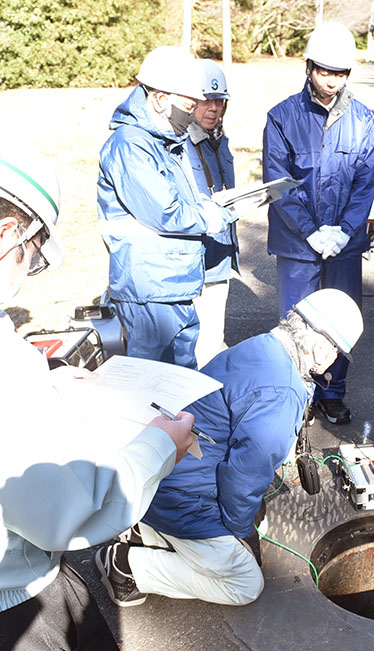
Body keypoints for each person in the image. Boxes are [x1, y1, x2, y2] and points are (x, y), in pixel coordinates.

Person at [0, 145, 195, 649]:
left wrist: (48, 386)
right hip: (18, 605)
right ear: (9, 235)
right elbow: (59, 510)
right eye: (35, 256)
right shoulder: (7, 368)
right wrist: (159, 447)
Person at [94, 289, 363, 607]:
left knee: (252, 522)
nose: (333, 360)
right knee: (246, 584)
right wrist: (239, 528)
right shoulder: (282, 390)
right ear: (321, 345)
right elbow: (245, 471)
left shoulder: (261, 346)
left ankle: (151, 534)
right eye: (336, 353)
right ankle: (127, 567)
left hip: (160, 473)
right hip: (184, 496)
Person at [262, 22, 374, 425]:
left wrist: (344, 229)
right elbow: (279, 181)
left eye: (340, 73)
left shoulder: (362, 119)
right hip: (297, 245)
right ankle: (298, 394)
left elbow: (366, 180)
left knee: (341, 319)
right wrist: (310, 230)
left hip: (343, 245)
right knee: (297, 320)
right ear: (308, 67)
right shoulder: (281, 118)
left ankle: (332, 392)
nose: (332, 81)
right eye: (325, 71)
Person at [98, 46, 238, 370]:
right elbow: (165, 211)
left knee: (181, 390)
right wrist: (211, 216)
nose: (192, 115)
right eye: (189, 106)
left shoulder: (163, 141)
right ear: (161, 98)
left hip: (173, 285)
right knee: (150, 394)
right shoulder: (131, 144)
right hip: (149, 293)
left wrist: (212, 206)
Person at [186, 59, 239, 367]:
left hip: (219, 258)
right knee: (197, 346)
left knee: (212, 337)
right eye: (206, 100)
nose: (213, 108)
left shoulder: (219, 140)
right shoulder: (179, 144)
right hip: (195, 264)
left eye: (220, 101)